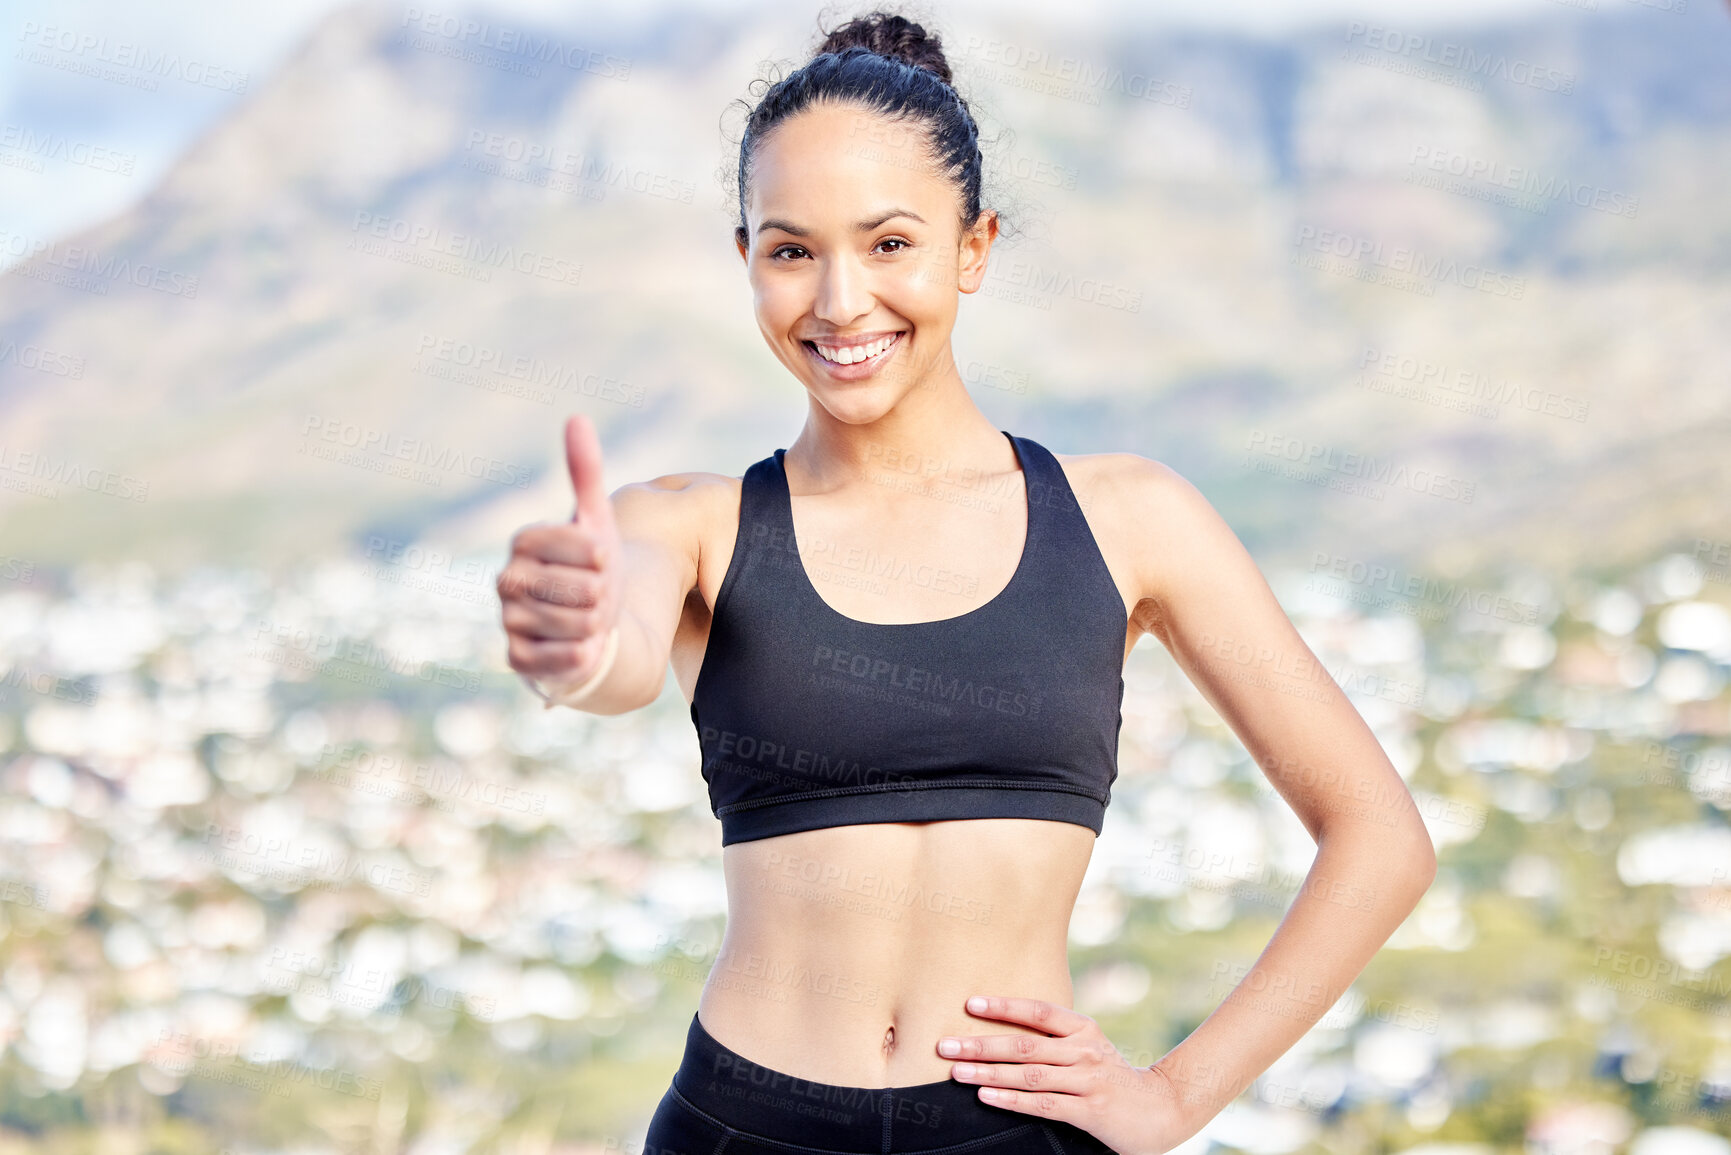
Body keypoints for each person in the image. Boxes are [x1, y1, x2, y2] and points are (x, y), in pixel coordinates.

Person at [496, 11, 1438, 1155]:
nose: (840, 302)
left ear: (974, 247)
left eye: (889, 243)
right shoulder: (689, 522)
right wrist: (576, 637)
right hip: (743, 1129)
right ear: (745, 259)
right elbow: (616, 655)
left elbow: (1379, 836)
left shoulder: (1130, 519)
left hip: (1016, 1136)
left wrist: (1178, 1095)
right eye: (791, 250)